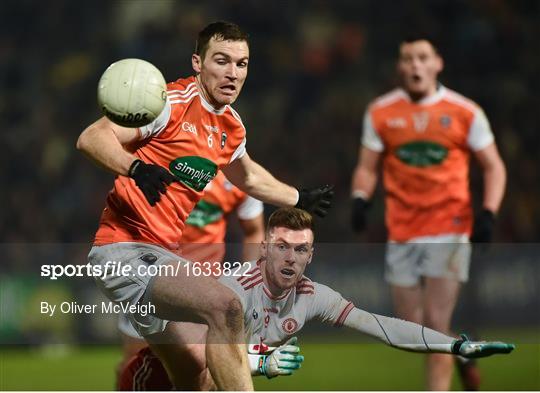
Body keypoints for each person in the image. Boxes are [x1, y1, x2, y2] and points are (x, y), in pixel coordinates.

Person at [76, 21, 333, 391]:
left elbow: (248, 176)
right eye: (222, 61)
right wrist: (135, 167)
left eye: (241, 64)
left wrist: (297, 197)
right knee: (227, 306)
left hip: (162, 259)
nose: (233, 73)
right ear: (198, 63)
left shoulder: (231, 126)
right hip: (125, 251)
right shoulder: (169, 104)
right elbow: (91, 138)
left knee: (199, 377)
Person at [119, 207, 514, 391]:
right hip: (158, 381)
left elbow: (382, 327)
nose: (291, 258)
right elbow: (201, 361)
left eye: (301, 250)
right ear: (264, 249)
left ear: (312, 255)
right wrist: (261, 361)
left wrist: (455, 344)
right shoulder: (231, 290)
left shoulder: (313, 296)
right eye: (282, 247)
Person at [350, 35, 507, 390]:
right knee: (411, 328)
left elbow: (494, 167)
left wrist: (488, 213)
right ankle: (464, 352)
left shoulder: (465, 112)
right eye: (407, 58)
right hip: (402, 229)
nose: (415, 65)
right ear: (399, 67)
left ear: (438, 63)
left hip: (449, 227)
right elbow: (367, 167)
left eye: (422, 57)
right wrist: (360, 197)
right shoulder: (381, 111)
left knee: (435, 323)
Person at [116, 171, 265, 387]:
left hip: (206, 288)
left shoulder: (240, 176)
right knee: (136, 363)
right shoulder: (162, 161)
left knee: (205, 374)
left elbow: (254, 231)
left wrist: (247, 281)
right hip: (153, 282)